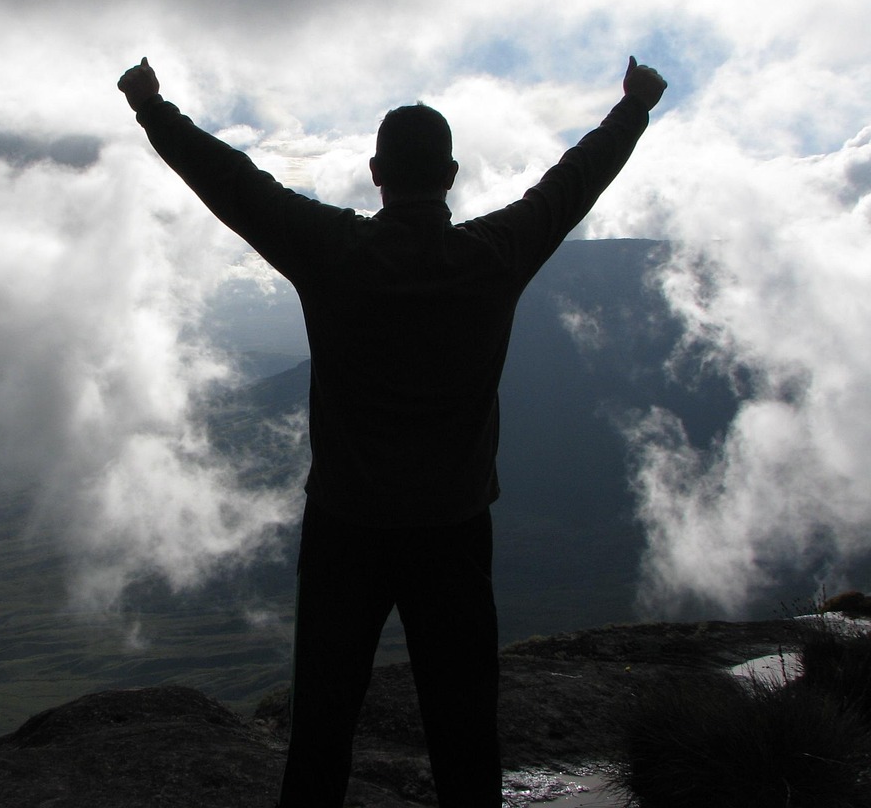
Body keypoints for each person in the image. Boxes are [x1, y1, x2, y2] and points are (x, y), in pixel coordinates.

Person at [118, 55, 666, 807]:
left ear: (376, 173)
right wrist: (633, 106)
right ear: (452, 175)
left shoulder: (333, 250)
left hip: (345, 527)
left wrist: (152, 106)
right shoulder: (494, 255)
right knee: (464, 727)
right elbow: (572, 184)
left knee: (322, 724)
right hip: (454, 530)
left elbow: (234, 182)